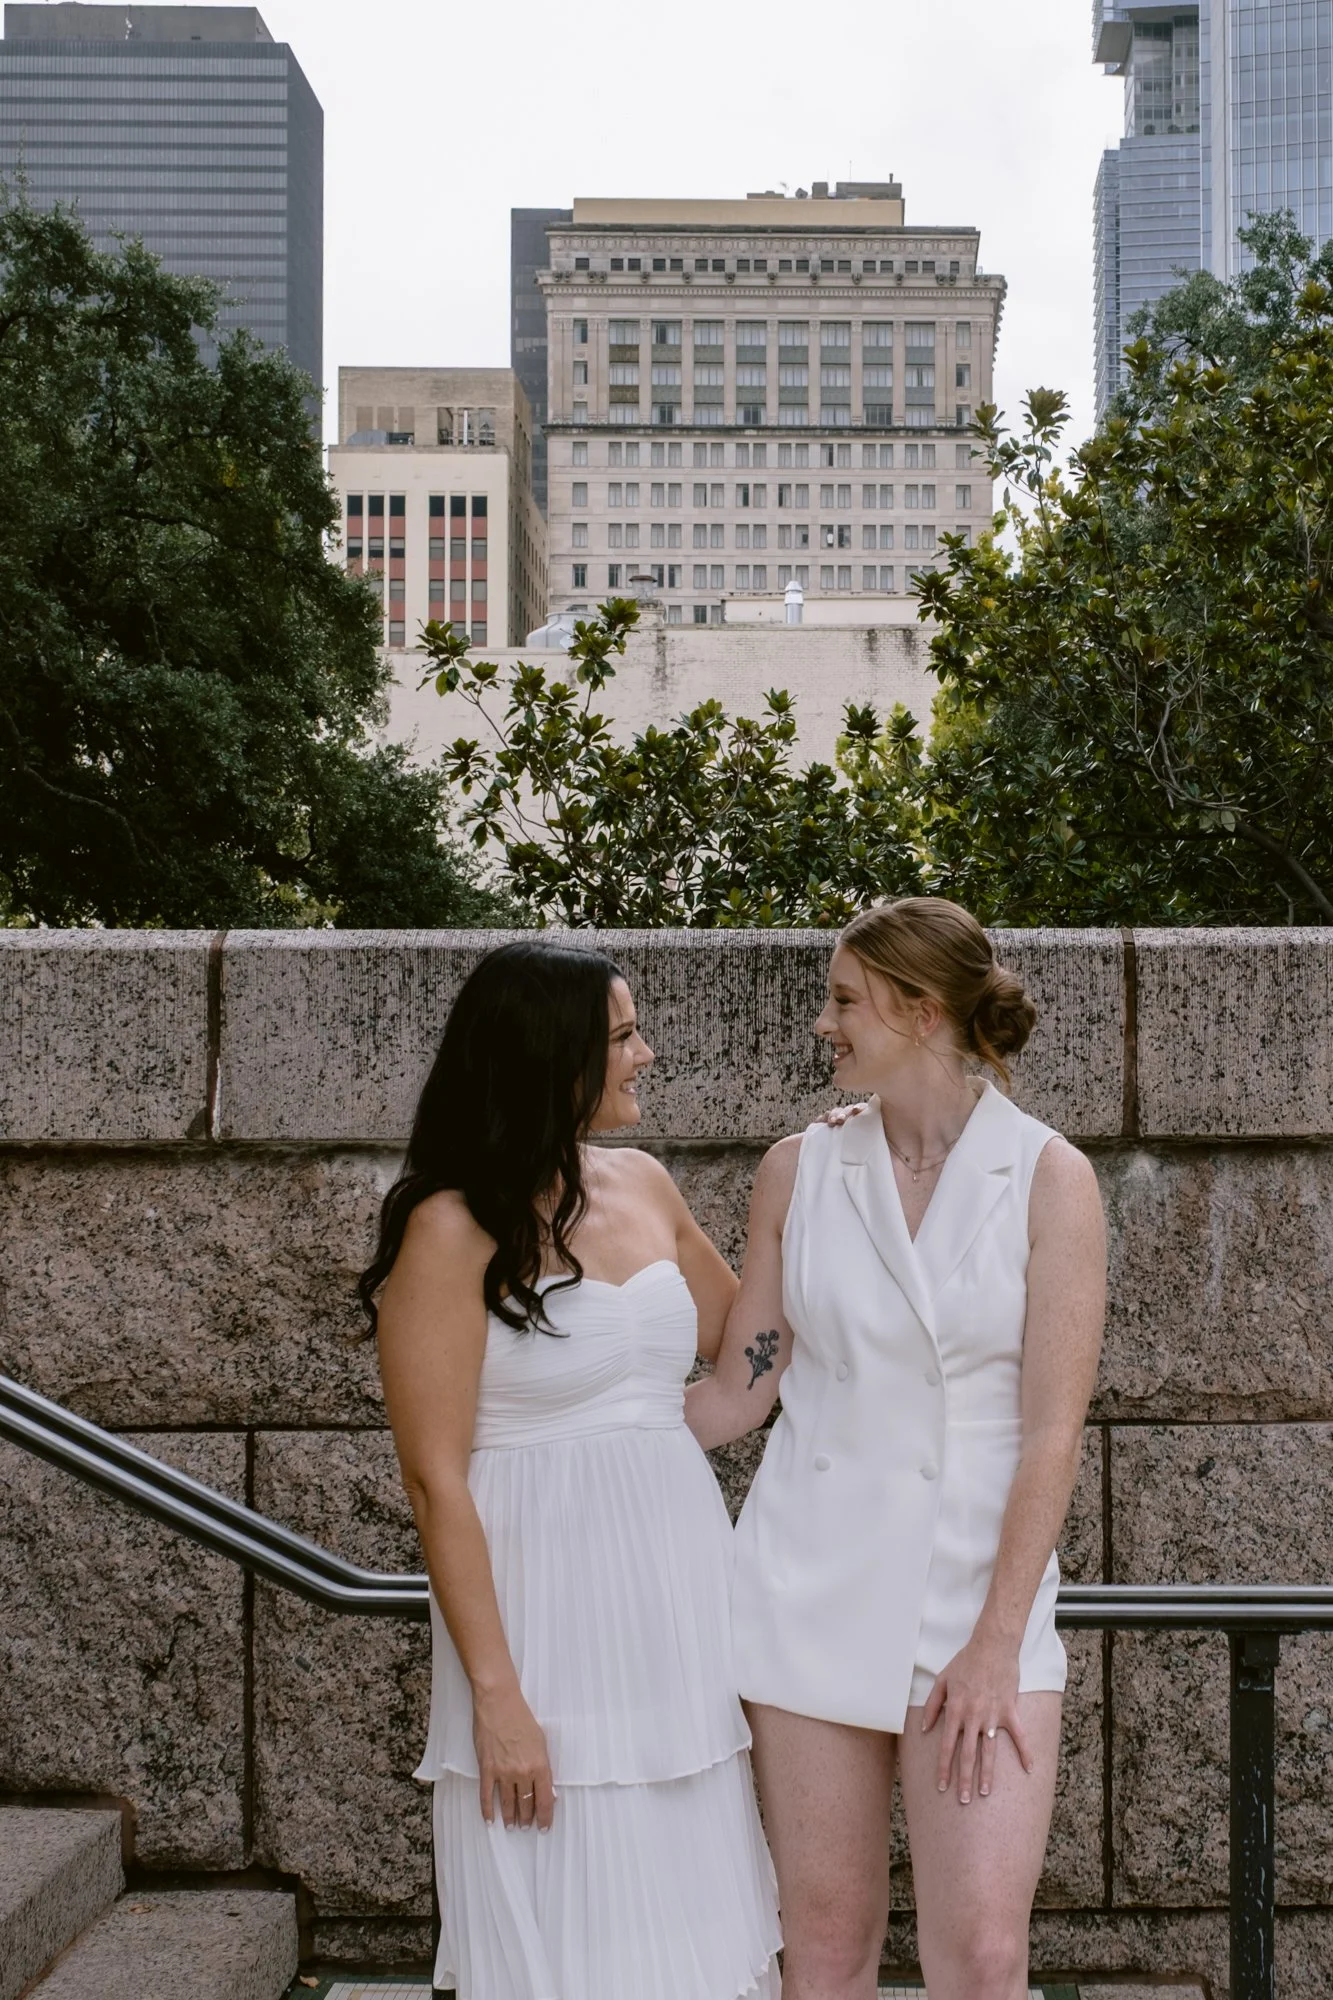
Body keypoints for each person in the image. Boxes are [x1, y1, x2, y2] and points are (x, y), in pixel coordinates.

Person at [687, 897, 1106, 2000]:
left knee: (980, 1957)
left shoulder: (1050, 1178)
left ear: (921, 1012)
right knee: (821, 1949)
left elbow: (1051, 1427)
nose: (822, 1025)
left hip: (977, 1604)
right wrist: (570, 1441)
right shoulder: (801, 1169)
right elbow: (743, 1385)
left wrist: (995, 1641)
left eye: (842, 1001)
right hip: (804, 1589)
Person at [360, 939, 781, 2000]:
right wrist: (497, 1696)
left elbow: (752, 1345)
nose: (646, 1053)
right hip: (541, 1624)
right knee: (562, 1912)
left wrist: (813, 1180)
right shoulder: (447, 1226)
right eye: (622, 1036)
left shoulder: (642, 1182)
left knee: (688, 1912)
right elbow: (433, 1479)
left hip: (676, 1604)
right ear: (549, 1058)